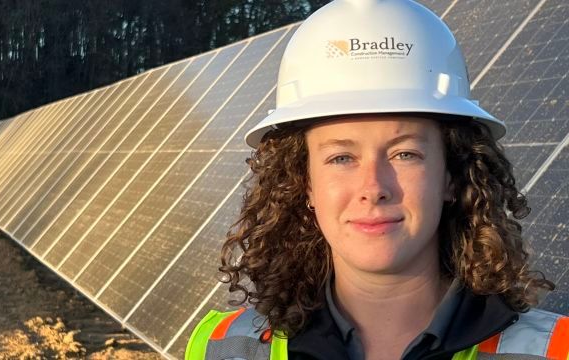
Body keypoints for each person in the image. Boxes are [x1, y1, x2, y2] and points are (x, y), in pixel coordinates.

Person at [186, 0, 569, 359]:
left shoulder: (552, 350)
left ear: (452, 176)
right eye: (341, 157)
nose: (374, 188)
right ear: (305, 184)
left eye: (405, 154)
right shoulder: (224, 348)